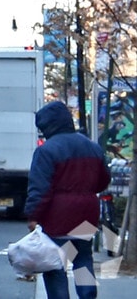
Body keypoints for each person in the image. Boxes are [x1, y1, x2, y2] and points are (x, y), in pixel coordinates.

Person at [26, 101, 111, 299]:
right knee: (82, 256)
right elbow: (103, 180)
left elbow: (40, 188)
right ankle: (87, 294)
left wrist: (33, 215)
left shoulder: (46, 151)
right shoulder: (93, 148)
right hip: (87, 214)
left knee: (55, 263)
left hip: (57, 216)